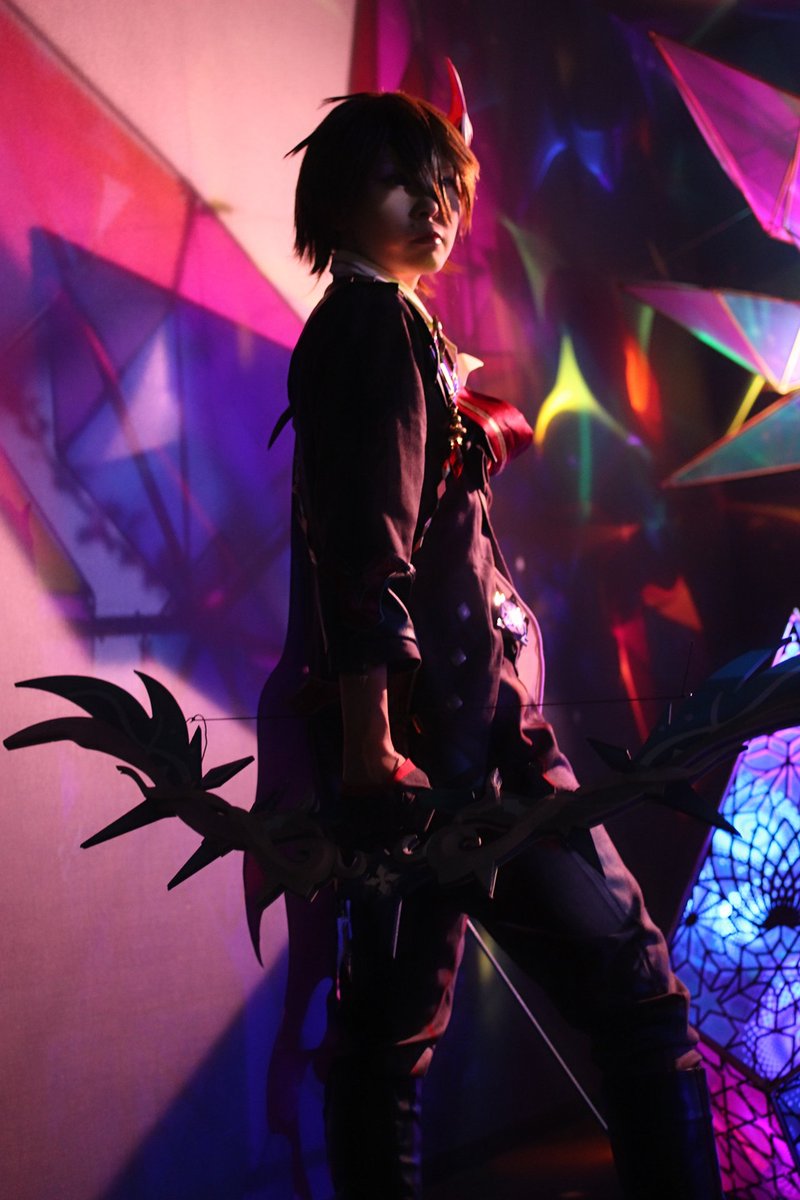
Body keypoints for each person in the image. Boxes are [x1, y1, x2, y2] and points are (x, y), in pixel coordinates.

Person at [268, 86, 724, 1200]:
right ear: (339, 199)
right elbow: (361, 552)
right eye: (399, 183)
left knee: (386, 1043)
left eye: (441, 187)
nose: (430, 207)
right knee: (626, 1001)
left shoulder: (390, 325)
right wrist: (373, 752)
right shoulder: (368, 325)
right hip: (450, 763)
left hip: (450, 750)